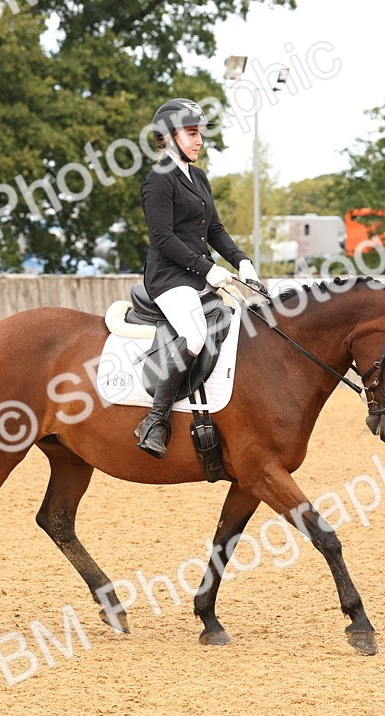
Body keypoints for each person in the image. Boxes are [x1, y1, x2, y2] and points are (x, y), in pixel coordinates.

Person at [134, 98, 259, 458]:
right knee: (193, 335)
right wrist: (208, 269)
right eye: (192, 133)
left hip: (198, 276)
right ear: (170, 137)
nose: (199, 140)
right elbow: (164, 238)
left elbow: (215, 229)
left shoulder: (198, 177)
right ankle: (154, 421)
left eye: (199, 133)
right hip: (169, 280)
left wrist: (242, 261)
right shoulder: (158, 181)